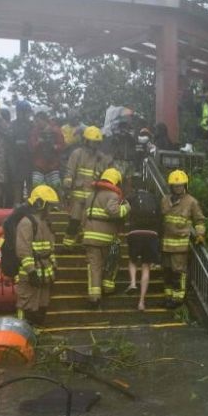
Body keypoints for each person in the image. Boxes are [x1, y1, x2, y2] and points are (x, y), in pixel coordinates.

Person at [81, 168, 130, 309]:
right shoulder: (113, 195)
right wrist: (127, 207)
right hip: (107, 237)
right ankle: (108, 287)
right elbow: (113, 211)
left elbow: (84, 217)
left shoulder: (91, 196)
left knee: (94, 267)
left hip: (90, 237)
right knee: (112, 261)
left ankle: (94, 297)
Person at [14, 185, 60, 326]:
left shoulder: (46, 223)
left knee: (42, 305)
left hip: (45, 273)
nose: (51, 210)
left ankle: (37, 334)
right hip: (31, 273)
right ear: (40, 204)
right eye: (50, 206)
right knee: (27, 305)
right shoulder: (26, 223)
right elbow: (23, 250)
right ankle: (23, 334)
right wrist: (31, 271)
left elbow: (50, 248)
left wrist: (54, 266)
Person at [62, 126, 112, 250]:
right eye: (93, 142)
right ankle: (68, 245)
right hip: (78, 193)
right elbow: (70, 170)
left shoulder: (101, 157)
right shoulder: (77, 154)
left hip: (92, 194)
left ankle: (86, 245)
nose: (95, 145)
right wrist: (67, 186)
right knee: (74, 220)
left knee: (88, 222)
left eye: (97, 142)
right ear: (86, 141)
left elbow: (106, 173)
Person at [161, 169, 205, 308]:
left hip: (180, 245)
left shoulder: (191, 202)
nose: (178, 188)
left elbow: (199, 220)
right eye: (175, 186)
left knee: (178, 272)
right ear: (171, 186)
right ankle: (168, 297)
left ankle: (178, 299)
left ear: (185, 185)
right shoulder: (165, 200)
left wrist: (200, 234)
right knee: (167, 272)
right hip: (166, 244)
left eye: (180, 185)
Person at [125, 188, 160, 312]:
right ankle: (141, 302)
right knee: (146, 266)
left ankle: (133, 283)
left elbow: (124, 210)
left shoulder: (132, 196)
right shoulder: (155, 198)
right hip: (151, 234)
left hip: (135, 232)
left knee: (132, 260)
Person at [29, 111, 65, 193]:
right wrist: (39, 142)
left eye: (38, 121)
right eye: (36, 122)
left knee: (55, 189)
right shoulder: (35, 131)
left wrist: (53, 146)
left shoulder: (55, 130)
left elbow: (62, 146)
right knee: (37, 189)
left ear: (44, 120)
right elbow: (31, 147)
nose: (37, 124)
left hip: (53, 165)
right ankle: (39, 205)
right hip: (39, 165)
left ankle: (55, 205)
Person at [8, 100, 34, 205]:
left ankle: (30, 205)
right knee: (17, 183)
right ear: (19, 112)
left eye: (28, 112)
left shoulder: (32, 125)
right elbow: (10, 141)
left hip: (29, 158)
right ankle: (17, 205)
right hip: (16, 158)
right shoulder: (13, 125)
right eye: (25, 112)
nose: (27, 115)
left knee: (30, 183)